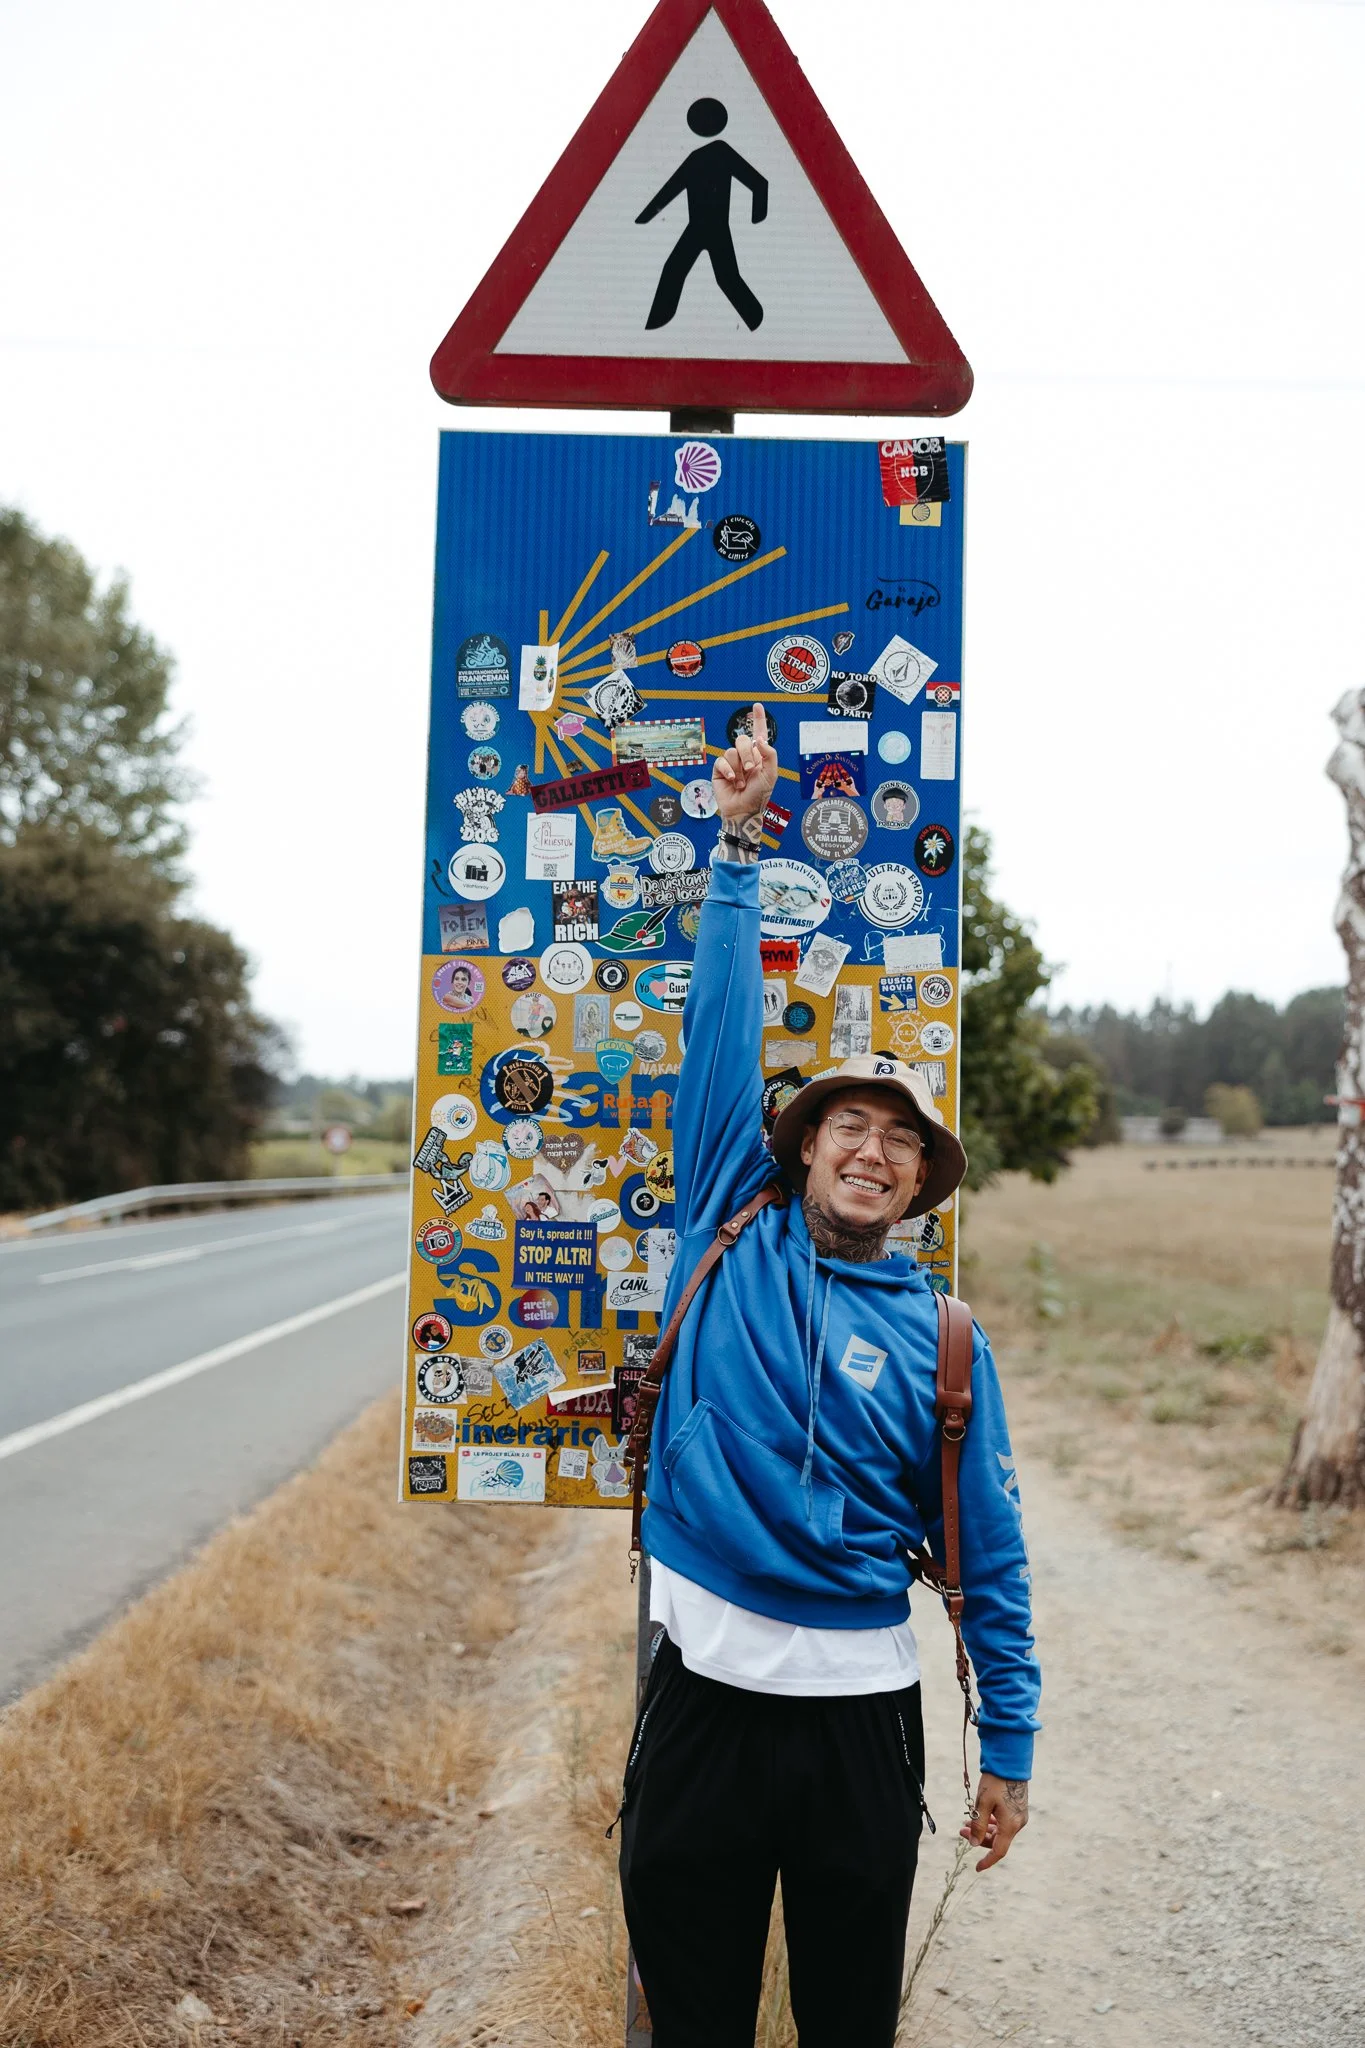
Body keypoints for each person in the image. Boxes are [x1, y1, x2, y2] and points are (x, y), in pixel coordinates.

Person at [617, 705, 1039, 2048]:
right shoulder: (723, 1224)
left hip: (862, 1729)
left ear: (920, 1185)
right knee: (695, 2020)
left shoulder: (946, 1339)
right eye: (847, 1126)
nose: (871, 1151)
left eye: (899, 1144)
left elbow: (995, 1560)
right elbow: (722, 1036)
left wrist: (1011, 1753)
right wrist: (736, 849)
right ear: (799, 1150)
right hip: (698, 1702)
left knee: (851, 2024)